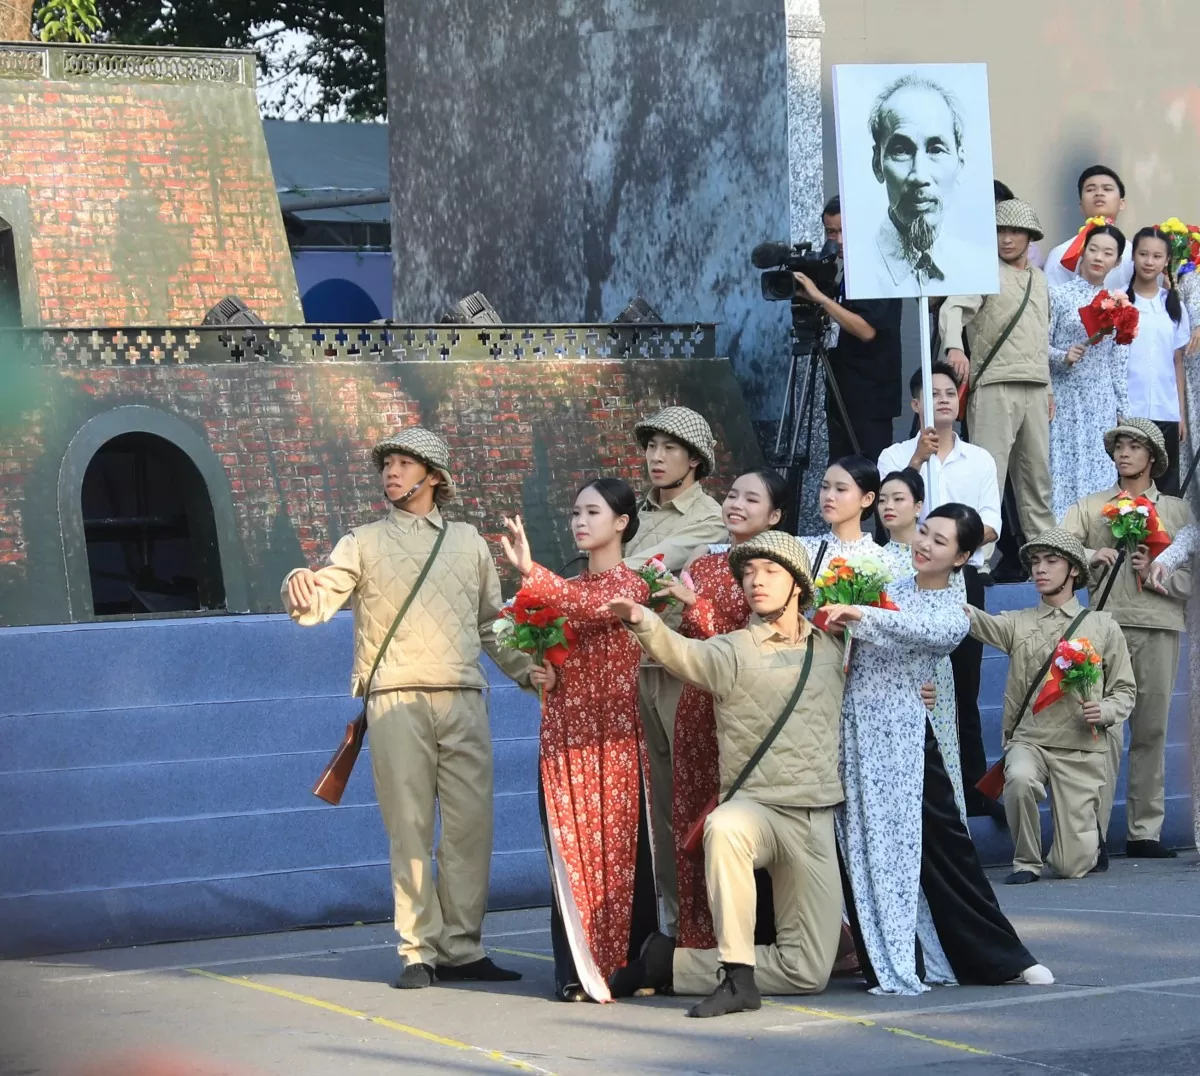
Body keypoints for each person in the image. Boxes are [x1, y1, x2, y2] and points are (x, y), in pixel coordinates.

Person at [281, 427, 530, 990]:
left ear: (434, 477)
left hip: (466, 695)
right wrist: (297, 584)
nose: (390, 472)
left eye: (403, 463)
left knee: (471, 827)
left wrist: (529, 671)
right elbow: (320, 593)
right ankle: (417, 950)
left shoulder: (469, 542)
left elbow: (493, 624)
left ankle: (462, 949)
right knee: (410, 828)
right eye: (386, 463)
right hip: (394, 697)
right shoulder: (362, 541)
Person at [602, 531, 848, 1017]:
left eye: (770, 572)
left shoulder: (833, 647)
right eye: (748, 573)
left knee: (810, 973)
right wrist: (644, 620)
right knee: (725, 826)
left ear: (797, 584)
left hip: (815, 814)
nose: (755, 582)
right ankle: (737, 976)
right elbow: (685, 656)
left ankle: (672, 966)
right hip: (755, 807)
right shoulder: (731, 649)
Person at [822, 504, 1053, 994]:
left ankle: (1000, 956)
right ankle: (890, 954)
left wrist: (860, 613)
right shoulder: (888, 587)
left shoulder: (952, 612)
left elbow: (915, 631)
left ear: (962, 556)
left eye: (941, 541)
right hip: (853, 736)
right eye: (924, 532)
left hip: (906, 742)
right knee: (863, 847)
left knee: (945, 850)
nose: (924, 543)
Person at [499, 491, 656, 1003]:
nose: (580, 522)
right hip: (565, 733)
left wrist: (530, 571)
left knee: (623, 854)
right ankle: (575, 969)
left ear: (623, 521)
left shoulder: (633, 583)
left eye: (593, 512)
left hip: (617, 736)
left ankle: (631, 966)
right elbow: (537, 631)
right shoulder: (560, 588)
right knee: (567, 851)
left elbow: (593, 609)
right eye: (575, 513)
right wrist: (543, 669)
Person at [965, 530, 1136, 883]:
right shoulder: (1017, 621)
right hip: (1030, 739)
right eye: (1035, 562)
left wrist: (1104, 711)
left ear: (1074, 569)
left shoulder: (1102, 625)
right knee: (1020, 779)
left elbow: (1124, 690)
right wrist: (944, 581)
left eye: (1051, 561)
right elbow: (976, 621)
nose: (1040, 569)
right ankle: (1025, 861)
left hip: (1080, 747)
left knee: (1071, 866)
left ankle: (1085, 844)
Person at [665, 469, 786, 951]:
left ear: (774, 515)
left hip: (747, 708)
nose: (735, 504)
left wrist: (696, 609)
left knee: (742, 820)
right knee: (692, 816)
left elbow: (746, 643)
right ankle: (700, 933)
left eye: (751, 499)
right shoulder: (708, 563)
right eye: (732, 494)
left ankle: (758, 934)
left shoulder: (777, 567)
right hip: (697, 705)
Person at [1062, 419, 1194, 856]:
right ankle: (1093, 834)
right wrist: (1087, 553)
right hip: (1106, 627)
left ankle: (1145, 832)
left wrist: (1156, 578)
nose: (1124, 453)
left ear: (1153, 459)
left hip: (1159, 625)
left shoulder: (1177, 510)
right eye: (1120, 445)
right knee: (1102, 730)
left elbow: (1193, 581)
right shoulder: (1091, 505)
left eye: (1135, 446)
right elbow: (1055, 548)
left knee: (1152, 730)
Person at [878, 362, 1002, 818]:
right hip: (909, 575)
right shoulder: (894, 456)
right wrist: (917, 462)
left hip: (963, 575)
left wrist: (959, 544)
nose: (944, 399)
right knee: (920, 683)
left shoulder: (981, 458)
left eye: (950, 392)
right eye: (932, 394)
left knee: (964, 687)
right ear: (915, 406)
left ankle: (974, 791)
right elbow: (892, 504)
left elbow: (993, 519)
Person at [623, 406, 726, 938]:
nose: (655, 457)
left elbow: (647, 570)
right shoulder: (631, 512)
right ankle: (669, 924)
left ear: (695, 460)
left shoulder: (709, 516)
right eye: (651, 446)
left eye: (669, 448)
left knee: (684, 799)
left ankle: (700, 922)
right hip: (627, 667)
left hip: (678, 668)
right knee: (647, 805)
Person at [939, 199, 1056, 572]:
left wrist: (1050, 388)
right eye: (1000, 232)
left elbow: (1040, 336)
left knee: (1037, 479)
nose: (1007, 239)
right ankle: (975, 562)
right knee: (986, 476)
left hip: (1036, 386)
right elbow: (952, 308)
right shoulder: (982, 270)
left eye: (1015, 231)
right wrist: (955, 345)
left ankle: (1048, 560)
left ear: (1029, 236)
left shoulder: (1039, 278)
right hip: (995, 384)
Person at [876, 467, 966, 817]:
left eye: (898, 499)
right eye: (883, 499)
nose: (889, 506)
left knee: (940, 755)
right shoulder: (875, 558)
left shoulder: (939, 557)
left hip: (932, 669)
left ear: (918, 506)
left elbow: (951, 617)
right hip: (890, 674)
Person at [795, 196, 903, 464]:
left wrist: (821, 299)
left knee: (867, 474)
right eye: (832, 232)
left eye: (846, 231)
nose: (839, 240)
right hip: (843, 391)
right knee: (841, 471)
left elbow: (867, 330)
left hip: (870, 396)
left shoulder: (879, 268)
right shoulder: (849, 271)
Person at [859, 75, 977, 296]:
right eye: (901, 151)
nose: (919, 175)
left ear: (960, 162)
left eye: (936, 149)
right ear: (877, 163)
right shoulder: (860, 269)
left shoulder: (977, 270)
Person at [1047, 223, 1131, 521]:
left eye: (1108, 253)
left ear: (1117, 261)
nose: (1099, 257)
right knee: (1062, 468)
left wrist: (1123, 410)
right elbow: (1036, 346)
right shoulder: (1057, 295)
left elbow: (1118, 362)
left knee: (1099, 470)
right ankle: (1059, 542)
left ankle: (1096, 544)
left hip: (1100, 401)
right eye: (1093, 249)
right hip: (1064, 397)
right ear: (1082, 252)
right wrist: (1061, 356)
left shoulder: (1120, 303)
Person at [1126, 226, 1193, 494]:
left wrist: (1180, 416)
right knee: (1129, 481)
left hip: (1166, 410)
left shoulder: (1172, 304)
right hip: (1131, 408)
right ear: (1133, 256)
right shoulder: (1119, 302)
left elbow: (1177, 361)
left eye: (1156, 256)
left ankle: (1163, 537)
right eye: (1143, 254)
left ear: (1166, 261)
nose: (1149, 261)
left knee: (1165, 487)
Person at [1044, 166, 1134, 289]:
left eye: (1107, 189)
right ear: (1081, 205)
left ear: (1121, 204)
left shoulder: (1136, 255)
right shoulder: (1060, 254)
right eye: (1091, 189)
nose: (1099, 193)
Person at [798, 455, 882, 574]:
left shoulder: (883, 560)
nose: (829, 496)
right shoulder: (799, 549)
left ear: (867, 499)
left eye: (841, 489)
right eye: (825, 487)